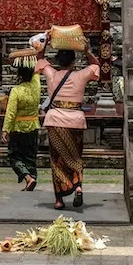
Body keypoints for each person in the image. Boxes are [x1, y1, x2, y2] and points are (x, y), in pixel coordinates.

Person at [36, 37, 100, 210]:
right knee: (75, 155)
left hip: (55, 120)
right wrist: (87, 52)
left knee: (57, 160)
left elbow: (40, 60)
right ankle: (78, 186)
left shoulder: (52, 74)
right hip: (75, 121)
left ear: (58, 61)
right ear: (73, 61)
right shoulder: (80, 75)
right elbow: (96, 66)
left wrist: (44, 43)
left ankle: (59, 200)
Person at [1, 64, 41, 191]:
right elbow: (37, 74)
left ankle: (28, 178)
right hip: (33, 126)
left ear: (19, 76)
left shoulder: (16, 91)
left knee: (14, 156)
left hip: (18, 128)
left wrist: (5, 129)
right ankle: (32, 178)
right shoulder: (36, 87)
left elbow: (10, 112)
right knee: (31, 155)